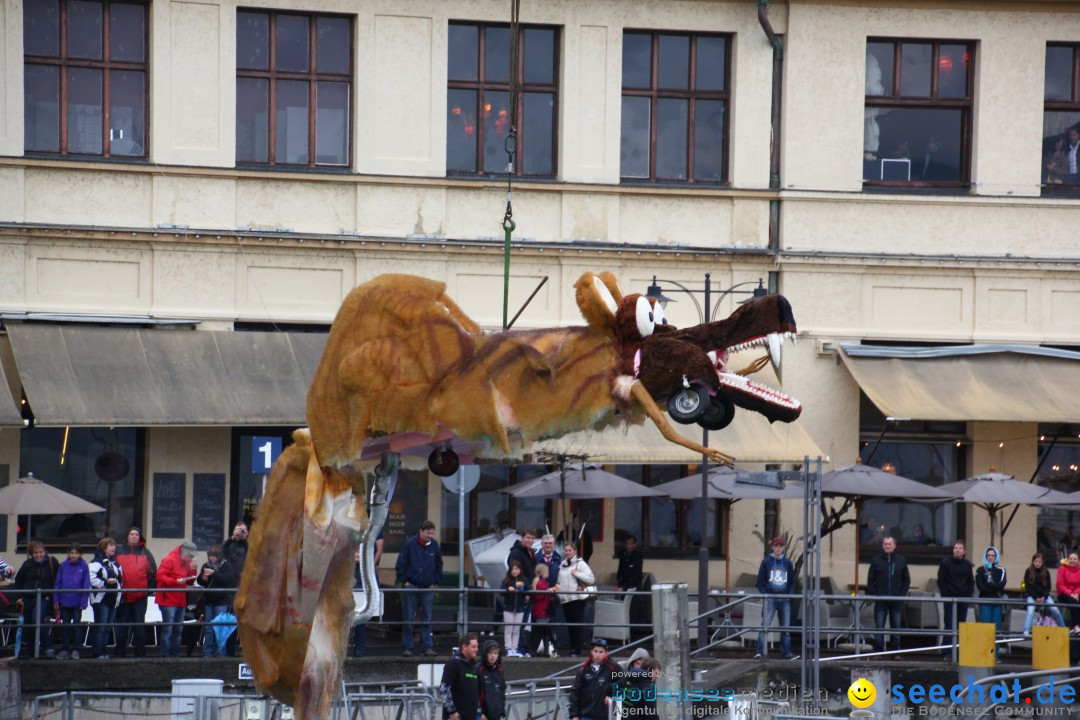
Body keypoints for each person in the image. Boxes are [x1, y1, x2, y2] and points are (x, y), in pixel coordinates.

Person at [396, 519, 442, 657]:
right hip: (412, 584)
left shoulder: (434, 545)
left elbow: (439, 564)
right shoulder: (409, 544)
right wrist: (404, 581)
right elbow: (401, 563)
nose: (430, 536)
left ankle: (426, 647)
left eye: (432, 533)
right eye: (428, 533)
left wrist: (435, 581)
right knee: (409, 617)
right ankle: (408, 647)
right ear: (421, 531)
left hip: (427, 586)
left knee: (426, 618)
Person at [114, 526, 157, 658]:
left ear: (140, 537)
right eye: (131, 534)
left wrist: (147, 591)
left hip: (140, 597)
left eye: (136, 534)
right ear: (127, 537)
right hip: (123, 597)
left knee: (139, 626)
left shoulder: (146, 552)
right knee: (122, 627)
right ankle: (120, 652)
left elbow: (154, 574)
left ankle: (140, 652)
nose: (134, 536)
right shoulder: (118, 551)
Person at [13, 541, 60, 658]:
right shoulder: (27, 564)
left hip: (44, 597)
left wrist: (52, 596)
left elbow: (57, 581)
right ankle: (32, 653)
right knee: (28, 625)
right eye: (35, 553)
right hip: (27, 597)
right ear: (32, 553)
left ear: (44, 552)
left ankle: (49, 647)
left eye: (40, 552)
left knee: (37, 620)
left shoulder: (52, 562)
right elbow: (18, 581)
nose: (38, 555)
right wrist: (19, 597)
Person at [211, 522, 249, 656]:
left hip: (243, 588)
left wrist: (245, 540)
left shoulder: (248, 545)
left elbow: (255, 555)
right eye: (237, 530)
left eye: (243, 530)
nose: (240, 533)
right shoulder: (229, 544)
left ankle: (244, 652)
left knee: (244, 624)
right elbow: (219, 554)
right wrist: (232, 538)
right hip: (227, 588)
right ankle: (226, 651)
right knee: (228, 621)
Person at [867, 536, 910, 652]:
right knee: (879, 627)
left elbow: (906, 580)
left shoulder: (901, 560)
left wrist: (902, 595)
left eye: (890, 544)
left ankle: (895, 652)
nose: (887, 546)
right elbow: (871, 579)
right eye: (885, 544)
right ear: (882, 546)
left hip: (896, 599)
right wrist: (875, 593)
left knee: (896, 628)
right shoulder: (876, 560)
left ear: (894, 546)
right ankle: (879, 651)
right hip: (881, 599)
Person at [755, 536, 795, 660]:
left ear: (783, 548)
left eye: (781, 546)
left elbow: (792, 582)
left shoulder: (788, 563)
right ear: (772, 547)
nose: (778, 549)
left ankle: (786, 653)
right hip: (770, 598)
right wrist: (765, 594)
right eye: (776, 546)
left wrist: (789, 594)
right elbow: (759, 581)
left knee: (786, 628)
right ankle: (759, 652)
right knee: (765, 627)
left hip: (784, 599)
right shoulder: (766, 562)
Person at [156, 541, 198, 658]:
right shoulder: (168, 560)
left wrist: (194, 570)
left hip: (180, 600)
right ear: (184, 552)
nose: (191, 558)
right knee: (168, 630)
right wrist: (174, 581)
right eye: (190, 555)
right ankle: (165, 655)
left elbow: (190, 581)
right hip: (168, 599)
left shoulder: (186, 562)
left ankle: (175, 654)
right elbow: (160, 576)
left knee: (178, 630)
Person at [557, 542, 596, 658]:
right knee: (570, 625)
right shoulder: (562, 565)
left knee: (576, 625)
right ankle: (572, 648)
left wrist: (577, 573)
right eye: (566, 550)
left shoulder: (581, 563)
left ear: (575, 551)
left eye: (570, 550)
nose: (568, 552)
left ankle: (577, 649)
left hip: (577, 598)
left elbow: (591, 579)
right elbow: (559, 582)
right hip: (565, 599)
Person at [937, 539, 974, 658]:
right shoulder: (946, 563)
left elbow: (970, 582)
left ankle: (959, 651)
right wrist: (946, 596)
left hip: (963, 599)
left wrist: (968, 596)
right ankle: (947, 651)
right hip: (950, 599)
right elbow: (941, 580)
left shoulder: (967, 565)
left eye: (960, 548)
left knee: (961, 625)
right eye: (955, 548)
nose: (957, 550)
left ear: (964, 551)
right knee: (949, 624)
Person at [87, 537, 123, 659]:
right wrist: (106, 583)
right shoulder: (95, 562)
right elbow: (91, 579)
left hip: (113, 599)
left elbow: (120, 579)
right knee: (101, 626)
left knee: (107, 628)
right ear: (104, 548)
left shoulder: (115, 563)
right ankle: (97, 652)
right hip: (101, 599)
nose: (114, 548)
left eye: (114, 545)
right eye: (110, 545)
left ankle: (104, 651)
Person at [53, 543, 90, 659]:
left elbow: (86, 584)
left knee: (77, 627)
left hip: (77, 602)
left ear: (80, 554)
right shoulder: (63, 566)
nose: (74, 555)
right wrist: (56, 600)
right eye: (72, 553)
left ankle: (76, 650)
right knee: (66, 626)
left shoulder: (84, 566)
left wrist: (84, 602)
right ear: (68, 554)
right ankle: (65, 649)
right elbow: (57, 583)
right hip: (64, 601)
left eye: (76, 553)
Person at [351, 530, 384, 657]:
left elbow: (375, 585)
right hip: (349, 599)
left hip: (361, 601)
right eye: (356, 552)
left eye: (360, 552)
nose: (358, 555)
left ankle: (359, 649)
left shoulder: (368, 568)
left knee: (360, 625)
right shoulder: (346, 567)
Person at [568, 638, 617, 720]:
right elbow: (575, 693)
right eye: (595, 651)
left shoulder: (611, 668)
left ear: (606, 653)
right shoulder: (583, 670)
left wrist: (611, 694)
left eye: (601, 652)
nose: (597, 655)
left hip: (604, 716)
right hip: (585, 715)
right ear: (591, 651)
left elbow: (623, 681)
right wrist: (574, 715)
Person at [506, 528, 537, 656]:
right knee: (518, 624)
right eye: (527, 537)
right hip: (521, 593)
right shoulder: (517, 553)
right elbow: (515, 574)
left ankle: (520, 648)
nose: (530, 540)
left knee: (521, 624)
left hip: (526, 590)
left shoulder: (529, 552)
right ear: (522, 538)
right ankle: (517, 649)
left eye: (532, 538)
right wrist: (525, 592)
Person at [195, 544, 229, 657]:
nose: (211, 558)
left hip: (221, 601)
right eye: (210, 556)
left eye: (214, 556)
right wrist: (203, 578)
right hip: (209, 601)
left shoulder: (226, 565)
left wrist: (214, 573)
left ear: (219, 556)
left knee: (220, 628)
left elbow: (227, 581)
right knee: (208, 628)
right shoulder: (206, 565)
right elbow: (200, 581)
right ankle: (207, 653)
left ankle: (221, 653)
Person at [438, 633, 479, 720]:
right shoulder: (453, 664)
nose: (476, 649)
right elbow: (444, 690)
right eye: (473, 647)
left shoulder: (474, 666)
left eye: (477, 647)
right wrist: (452, 712)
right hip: (456, 716)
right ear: (464, 647)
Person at [975, 546, 1007, 657]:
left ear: (996, 556)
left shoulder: (1001, 570)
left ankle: (995, 655)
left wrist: (989, 585)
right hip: (984, 602)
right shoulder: (980, 570)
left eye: (993, 555)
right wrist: (993, 587)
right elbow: (981, 587)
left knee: (996, 630)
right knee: (985, 629)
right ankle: (985, 655)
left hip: (997, 603)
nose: (990, 558)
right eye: (988, 555)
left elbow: (1001, 585)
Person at [1023, 552, 1064, 635]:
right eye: (1036, 561)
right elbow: (1028, 587)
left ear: (1042, 562)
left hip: (1044, 596)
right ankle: (1026, 630)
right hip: (1032, 595)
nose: (1037, 563)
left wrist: (1043, 597)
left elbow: (1048, 587)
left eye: (1039, 562)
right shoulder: (1028, 571)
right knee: (1030, 610)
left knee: (1055, 609)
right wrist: (1035, 597)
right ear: (1032, 562)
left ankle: (1063, 627)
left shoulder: (1046, 571)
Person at [501, 561, 528, 657]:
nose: (514, 571)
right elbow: (501, 591)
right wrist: (508, 589)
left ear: (520, 570)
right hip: (508, 608)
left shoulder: (524, 580)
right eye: (512, 569)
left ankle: (515, 648)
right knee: (508, 629)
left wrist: (524, 590)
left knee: (516, 629)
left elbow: (529, 590)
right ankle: (508, 649)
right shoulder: (506, 580)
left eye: (517, 569)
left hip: (520, 608)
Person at [530, 563, 556, 657]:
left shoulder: (540, 581)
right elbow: (538, 596)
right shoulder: (540, 582)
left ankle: (545, 651)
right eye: (547, 571)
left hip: (543, 610)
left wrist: (550, 591)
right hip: (542, 610)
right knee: (541, 631)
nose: (548, 573)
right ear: (543, 572)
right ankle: (534, 651)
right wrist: (548, 591)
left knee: (545, 631)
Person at [478, 639, 506, 720]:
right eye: (490, 653)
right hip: (482, 716)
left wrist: (502, 711)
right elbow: (474, 694)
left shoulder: (500, 671)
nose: (493, 656)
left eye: (496, 653)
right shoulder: (479, 670)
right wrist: (480, 713)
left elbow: (502, 693)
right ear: (485, 653)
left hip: (497, 715)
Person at [1055, 551, 1080, 633]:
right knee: (1074, 603)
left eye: (1075, 559)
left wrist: (1076, 593)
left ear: (1078, 561)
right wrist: (1070, 593)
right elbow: (1060, 585)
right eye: (1071, 559)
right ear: (1068, 560)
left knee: (1076, 601)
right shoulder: (1061, 569)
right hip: (1063, 593)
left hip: (1076, 593)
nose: (1072, 560)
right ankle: (1076, 626)